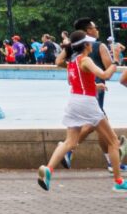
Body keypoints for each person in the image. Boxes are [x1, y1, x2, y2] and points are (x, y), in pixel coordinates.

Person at [37, 35, 122, 191]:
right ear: (86, 45)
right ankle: (119, 182)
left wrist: (95, 86)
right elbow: (105, 75)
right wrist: (116, 60)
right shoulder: (85, 60)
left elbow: (77, 82)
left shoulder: (72, 62)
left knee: (70, 142)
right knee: (114, 142)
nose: (92, 44)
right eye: (90, 42)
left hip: (74, 101)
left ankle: (48, 169)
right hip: (87, 103)